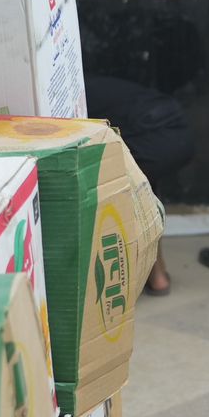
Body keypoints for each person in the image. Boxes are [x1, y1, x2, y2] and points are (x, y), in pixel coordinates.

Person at [85, 75, 195, 294]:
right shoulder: (85, 84)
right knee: (142, 187)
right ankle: (158, 276)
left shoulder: (65, 97)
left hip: (158, 133)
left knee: (112, 183)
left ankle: (142, 275)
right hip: (175, 129)